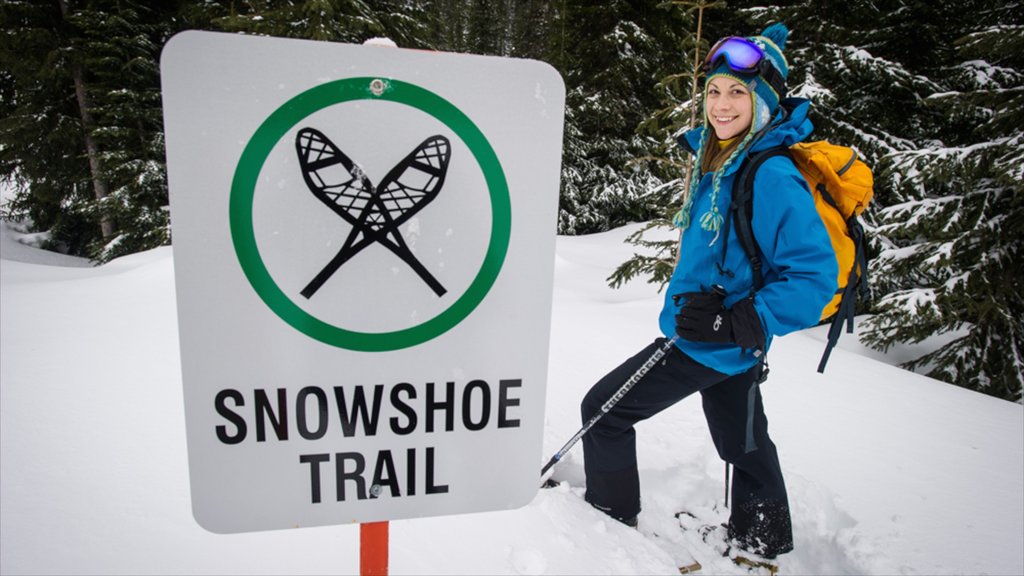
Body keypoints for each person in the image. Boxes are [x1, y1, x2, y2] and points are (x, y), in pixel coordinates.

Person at [579, 23, 837, 559]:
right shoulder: (722, 156)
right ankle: (762, 540)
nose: (721, 104)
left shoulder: (769, 174)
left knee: (603, 412)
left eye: (738, 92)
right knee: (742, 441)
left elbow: (814, 278)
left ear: (763, 102)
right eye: (714, 91)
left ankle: (609, 519)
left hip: (710, 339)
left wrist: (736, 321)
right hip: (729, 339)